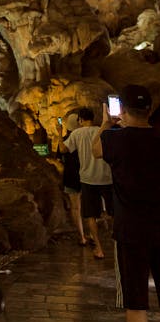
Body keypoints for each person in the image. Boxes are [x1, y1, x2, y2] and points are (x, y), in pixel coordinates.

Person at [94, 84, 160, 322]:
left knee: (135, 301)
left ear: (124, 109)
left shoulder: (114, 140)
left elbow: (95, 150)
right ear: (149, 109)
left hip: (132, 232)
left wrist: (107, 123)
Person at [60, 106, 113, 258]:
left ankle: (99, 249)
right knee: (114, 212)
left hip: (88, 179)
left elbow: (63, 149)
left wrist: (59, 133)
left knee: (91, 215)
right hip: (106, 177)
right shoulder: (102, 130)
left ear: (80, 120)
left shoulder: (77, 133)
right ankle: (118, 244)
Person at [57, 113, 86, 245]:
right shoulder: (84, 138)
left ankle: (82, 237)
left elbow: (60, 158)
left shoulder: (64, 140)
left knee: (76, 208)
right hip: (86, 176)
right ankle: (91, 232)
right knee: (88, 206)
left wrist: (59, 133)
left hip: (71, 177)